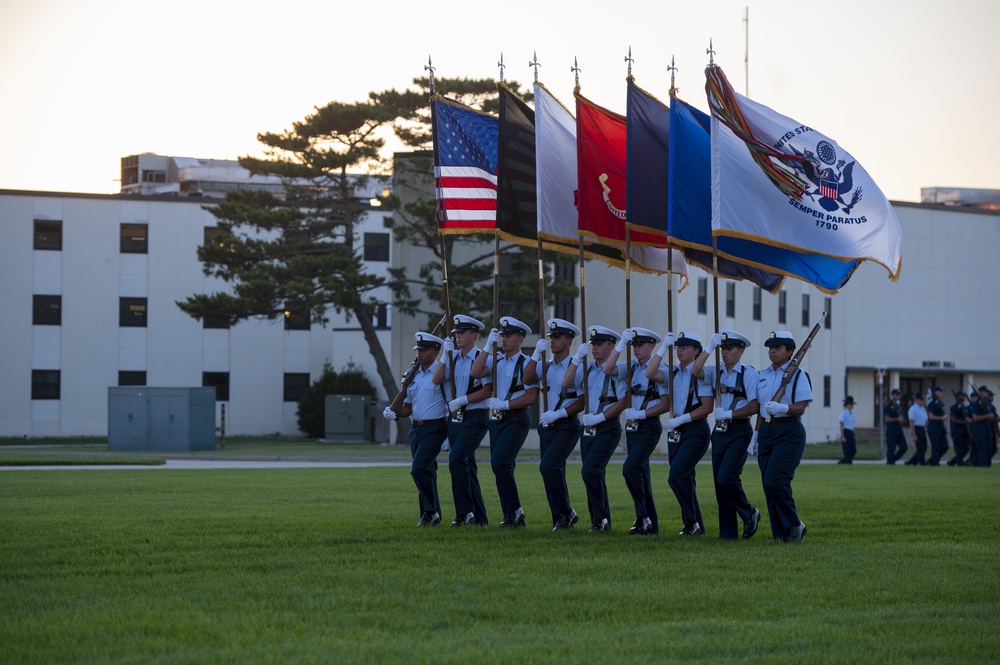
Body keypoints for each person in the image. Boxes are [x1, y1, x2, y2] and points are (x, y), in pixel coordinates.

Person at [690, 330, 762, 540]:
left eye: (729, 349)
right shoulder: (716, 372)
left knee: (727, 478)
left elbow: (755, 405)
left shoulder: (748, 373)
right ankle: (728, 534)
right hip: (719, 432)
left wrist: (730, 413)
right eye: (722, 349)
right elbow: (695, 370)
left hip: (739, 430)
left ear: (740, 351)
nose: (725, 353)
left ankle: (749, 512)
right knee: (719, 485)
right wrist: (708, 349)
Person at [470, 316, 539, 527]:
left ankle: (515, 511)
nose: (504, 339)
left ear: (520, 338)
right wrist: (487, 345)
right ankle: (511, 514)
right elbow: (475, 372)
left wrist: (506, 405)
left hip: (516, 419)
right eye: (502, 336)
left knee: (499, 463)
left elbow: (532, 397)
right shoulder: (495, 359)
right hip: (496, 421)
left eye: (508, 336)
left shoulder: (527, 364)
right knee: (501, 466)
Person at [601, 327, 671, 535]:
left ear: (651, 346)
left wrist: (642, 415)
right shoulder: (631, 367)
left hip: (648, 426)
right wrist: (621, 344)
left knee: (630, 468)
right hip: (632, 428)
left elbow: (665, 404)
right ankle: (650, 524)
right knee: (641, 474)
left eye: (640, 345)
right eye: (634, 345)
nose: (637, 349)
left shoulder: (661, 369)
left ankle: (643, 517)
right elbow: (607, 368)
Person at [647, 331, 715, 537]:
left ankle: (691, 520)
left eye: (685, 347)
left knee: (676, 475)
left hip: (695, 429)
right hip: (676, 431)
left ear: (696, 351)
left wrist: (683, 419)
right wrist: (662, 349)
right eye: (678, 347)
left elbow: (707, 407)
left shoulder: (700, 374)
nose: (680, 350)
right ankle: (695, 525)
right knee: (686, 478)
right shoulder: (673, 373)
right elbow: (650, 373)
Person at [564, 326, 628, 533]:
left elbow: (623, 401)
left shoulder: (617, 370)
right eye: (593, 345)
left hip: (607, 426)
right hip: (588, 427)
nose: (595, 348)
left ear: (611, 346)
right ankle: (599, 520)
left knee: (590, 471)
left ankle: (601, 519)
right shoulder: (587, 368)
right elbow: (567, 382)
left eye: (600, 344)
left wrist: (601, 416)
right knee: (592, 474)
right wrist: (576, 359)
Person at [524, 318, 585, 531]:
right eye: (551, 337)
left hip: (566, 425)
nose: (553, 341)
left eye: (558, 337)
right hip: (547, 427)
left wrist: (560, 413)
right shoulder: (546, 365)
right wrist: (534, 355)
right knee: (554, 471)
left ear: (569, 340)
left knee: (548, 467)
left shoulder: (576, 367)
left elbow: (582, 400)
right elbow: (527, 378)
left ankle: (566, 512)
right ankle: (560, 517)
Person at [382, 332, 449, 527]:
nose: (418, 353)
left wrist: (450, 433)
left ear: (435, 351)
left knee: (418, 469)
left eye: (423, 349)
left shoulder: (441, 373)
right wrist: (393, 412)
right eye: (417, 349)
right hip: (416, 429)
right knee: (427, 472)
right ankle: (430, 515)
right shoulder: (414, 375)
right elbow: (409, 407)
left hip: (436, 428)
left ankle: (430, 511)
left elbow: (451, 402)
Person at [432, 314, 493, 527]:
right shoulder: (453, 358)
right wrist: (443, 356)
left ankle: (464, 513)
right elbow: (436, 379)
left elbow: (488, 389)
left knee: (457, 459)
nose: (457, 336)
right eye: (456, 332)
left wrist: (464, 400)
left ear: (474, 335)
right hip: (456, 418)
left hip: (476, 417)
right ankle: (480, 517)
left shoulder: (483, 357)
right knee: (468, 466)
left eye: (461, 332)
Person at [755, 330, 813, 542]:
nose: (772, 352)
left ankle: (795, 524)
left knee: (775, 481)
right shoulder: (763, 375)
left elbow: (801, 407)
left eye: (778, 348)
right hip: (766, 432)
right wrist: (755, 435)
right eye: (771, 348)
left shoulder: (798, 375)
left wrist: (782, 408)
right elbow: (762, 408)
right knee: (767, 484)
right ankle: (780, 532)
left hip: (789, 431)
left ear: (790, 351)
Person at [970, 385, 996, 468]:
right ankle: (982, 466)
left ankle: (987, 465)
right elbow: (975, 417)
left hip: (987, 429)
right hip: (979, 430)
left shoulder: (986, 403)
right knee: (982, 450)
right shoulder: (976, 404)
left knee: (990, 449)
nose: (987, 393)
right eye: (985, 392)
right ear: (981, 392)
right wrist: (988, 416)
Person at [925, 386, 949, 466]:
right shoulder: (932, 403)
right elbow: (930, 416)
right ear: (935, 392)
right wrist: (941, 418)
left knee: (945, 446)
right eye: (940, 391)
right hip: (934, 428)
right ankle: (935, 463)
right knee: (936, 447)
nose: (941, 393)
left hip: (940, 427)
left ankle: (932, 460)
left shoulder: (941, 403)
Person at [947, 391, 972, 466]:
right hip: (957, 431)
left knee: (966, 449)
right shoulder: (954, 407)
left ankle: (952, 461)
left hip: (965, 431)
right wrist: (964, 422)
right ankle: (959, 463)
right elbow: (953, 419)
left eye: (964, 396)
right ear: (958, 396)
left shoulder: (965, 407)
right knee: (959, 449)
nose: (963, 397)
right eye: (962, 396)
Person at [884, 388, 907, 465]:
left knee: (904, 447)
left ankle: (893, 459)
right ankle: (890, 463)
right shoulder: (888, 406)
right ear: (893, 395)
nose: (899, 396)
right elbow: (887, 419)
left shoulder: (898, 406)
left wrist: (902, 420)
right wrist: (897, 419)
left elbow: (900, 415)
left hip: (899, 430)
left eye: (899, 394)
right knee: (891, 449)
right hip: (891, 430)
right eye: (897, 394)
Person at [905, 394, 929, 465]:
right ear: (917, 400)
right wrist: (913, 434)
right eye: (921, 400)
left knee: (924, 447)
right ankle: (922, 463)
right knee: (920, 448)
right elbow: (911, 422)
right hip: (916, 428)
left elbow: (925, 419)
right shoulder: (913, 409)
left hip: (922, 428)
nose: (923, 401)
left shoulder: (923, 408)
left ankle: (912, 461)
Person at [838, 396, 857, 464]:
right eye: (851, 404)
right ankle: (847, 463)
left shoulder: (852, 413)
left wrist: (854, 434)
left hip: (851, 432)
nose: (852, 406)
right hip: (845, 432)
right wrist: (843, 436)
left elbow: (853, 425)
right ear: (847, 404)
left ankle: (842, 462)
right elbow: (841, 425)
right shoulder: (844, 413)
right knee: (847, 451)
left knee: (853, 451)